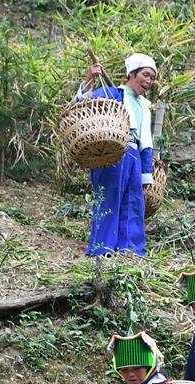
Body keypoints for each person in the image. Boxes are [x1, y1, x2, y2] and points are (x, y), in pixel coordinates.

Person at [75, 53, 157, 256]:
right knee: (110, 196)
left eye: (152, 78)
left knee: (133, 201)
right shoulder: (113, 94)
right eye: (145, 75)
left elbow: (146, 143)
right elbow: (82, 105)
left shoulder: (145, 108)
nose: (148, 81)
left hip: (134, 156)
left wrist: (147, 173)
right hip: (113, 151)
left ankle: (131, 249)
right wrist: (89, 79)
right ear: (131, 73)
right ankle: (103, 248)